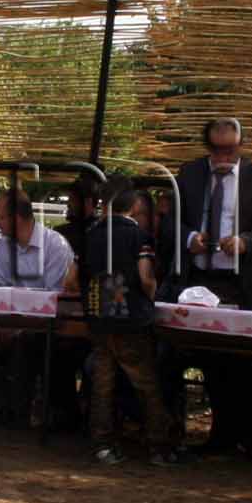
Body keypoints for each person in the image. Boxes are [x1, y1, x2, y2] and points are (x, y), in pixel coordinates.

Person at [166, 118, 252, 456]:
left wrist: (245, 242)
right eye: (216, 150)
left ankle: (245, 434)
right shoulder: (190, 174)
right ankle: (218, 434)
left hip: (240, 283)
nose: (223, 157)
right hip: (200, 281)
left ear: (241, 146)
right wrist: (189, 238)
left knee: (242, 360)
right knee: (206, 356)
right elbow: (171, 222)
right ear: (207, 147)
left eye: (230, 150)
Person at [80, 180, 178, 466]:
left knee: (102, 383)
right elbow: (146, 278)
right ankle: (159, 446)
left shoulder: (90, 235)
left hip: (99, 317)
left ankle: (102, 445)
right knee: (146, 383)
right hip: (132, 319)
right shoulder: (139, 237)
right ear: (134, 205)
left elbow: (72, 278)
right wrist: (151, 295)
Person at [0, 189, 78, 429]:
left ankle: (23, 413)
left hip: (55, 325)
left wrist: (18, 328)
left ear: (16, 218)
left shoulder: (55, 245)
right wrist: (3, 324)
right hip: (16, 322)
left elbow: (55, 300)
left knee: (28, 342)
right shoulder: (3, 247)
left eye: (0, 216)